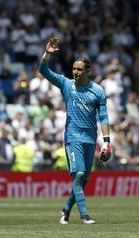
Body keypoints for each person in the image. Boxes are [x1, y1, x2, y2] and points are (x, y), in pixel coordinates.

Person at [39, 36, 111, 224]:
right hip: (73, 138)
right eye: (74, 69)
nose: (76, 72)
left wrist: (107, 141)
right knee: (78, 175)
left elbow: (103, 117)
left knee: (84, 179)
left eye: (79, 69)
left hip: (90, 139)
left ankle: (65, 210)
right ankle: (85, 215)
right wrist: (47, 53)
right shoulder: (66, 84)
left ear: (89, 71)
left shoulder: (98, 91)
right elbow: (43, 70)